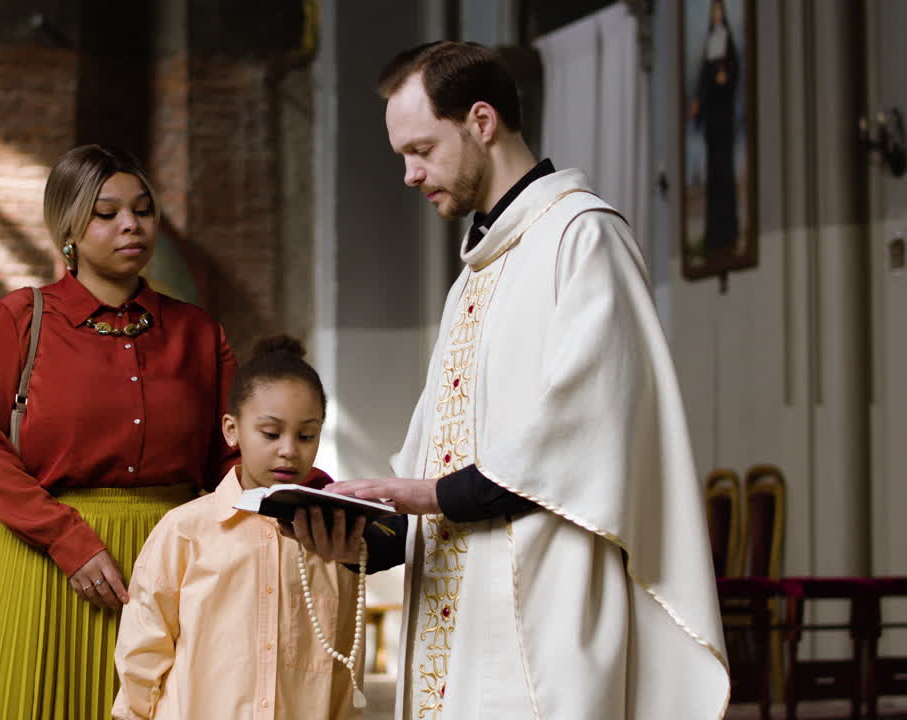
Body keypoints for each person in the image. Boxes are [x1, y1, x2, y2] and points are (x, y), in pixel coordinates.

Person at [303, 41, 728, 718]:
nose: (409, 175)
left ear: (481, 121)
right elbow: (435, 460)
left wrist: (428, 494)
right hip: (460, 617)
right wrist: (358, 538)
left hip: (544, 620)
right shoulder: (475, 274)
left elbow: (588, 431)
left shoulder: (582, 239)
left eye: (421, 150)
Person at [0, 144, 238, 719]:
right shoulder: (20, 320)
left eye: (143, 209)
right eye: (107, 213)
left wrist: (303, 491)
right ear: (68, 229)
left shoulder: (197, 333)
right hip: (44, 564)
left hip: (171, 569)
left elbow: (232, 458)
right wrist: (65, 539)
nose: (132, 224)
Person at [113, 335, 367, 720]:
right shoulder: (184, 531)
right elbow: (142, 652)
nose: (288, 450)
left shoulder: (334, 542)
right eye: (271, 433)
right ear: (232, 430)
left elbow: (346, 665)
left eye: (306, 435)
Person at [690, 0, 740, 257]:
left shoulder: (727, 42)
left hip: (724, 117)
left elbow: (733, 72)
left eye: (720, 11)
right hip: (712, 119)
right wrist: (698, 102)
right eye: (714, 12)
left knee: (724, 173)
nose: (717, 16)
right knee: (713, 175)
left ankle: (728, 231)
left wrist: (725, 78)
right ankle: (714, 235)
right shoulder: (711, 42)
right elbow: (703, 79)